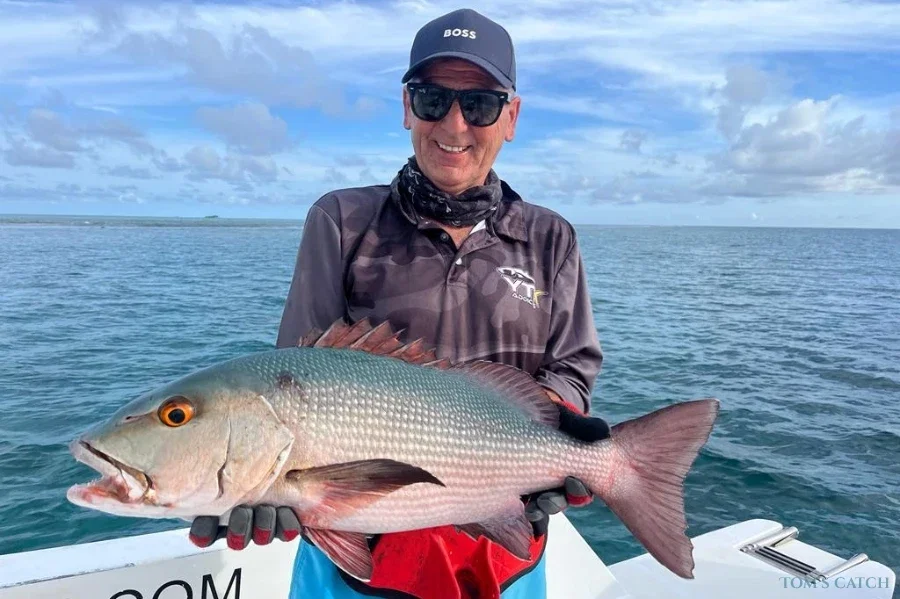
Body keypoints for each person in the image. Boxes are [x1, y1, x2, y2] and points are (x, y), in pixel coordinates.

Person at [188, 8, 608, 599]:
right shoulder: (341, 220)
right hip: (358, 559)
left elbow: (573, 365)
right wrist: (250, 478)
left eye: (480, 104)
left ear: (511, 117)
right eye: (433, 99)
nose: (455, 124)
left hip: (506, 551)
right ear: (408, 106)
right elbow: (295, 381)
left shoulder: (550, 237)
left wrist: (555, 433)